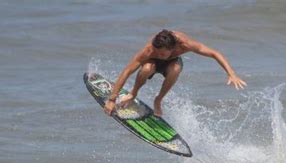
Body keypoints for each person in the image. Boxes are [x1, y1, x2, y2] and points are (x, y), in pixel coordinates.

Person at [104, 29, 247, 117]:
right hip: (151, 65)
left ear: (172, 49)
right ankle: (134, 93)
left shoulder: (185, 44)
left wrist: (231, 74)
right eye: (156, 51)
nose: (157, 54)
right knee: (146, 69)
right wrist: (112, 99)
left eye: (161, 53)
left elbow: (214, 53)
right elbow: (127, 71)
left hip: (172, 64)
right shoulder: (150, 50)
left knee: (175, 69)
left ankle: (158, 100)